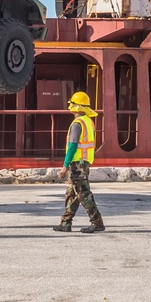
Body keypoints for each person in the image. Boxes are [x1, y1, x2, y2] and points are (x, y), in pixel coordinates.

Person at [54, 91, 105, 233]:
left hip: (77, 164)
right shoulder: (88, 121)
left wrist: (64, 166)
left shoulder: (77, 124)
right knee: (72, 194)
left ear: (76, 107)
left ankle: (97, 222)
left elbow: (72, 147)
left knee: (83, 194)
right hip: (84, 162)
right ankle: (65, 223)